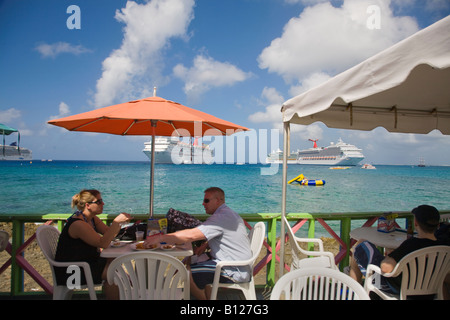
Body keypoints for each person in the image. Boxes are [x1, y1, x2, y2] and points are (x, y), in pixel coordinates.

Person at [144, 187, 252, 300]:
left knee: (186, 272)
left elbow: (191, 235)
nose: (203, 203)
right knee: (191, 262)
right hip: (236, 264)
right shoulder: (227, 213)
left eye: (206, 200)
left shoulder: (221, 217)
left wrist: (159, 238)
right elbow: (225, 236)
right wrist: (205, 245)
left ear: (218, 201)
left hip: (234, 269)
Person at [349, 204, 450, 299]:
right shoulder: (444, 247)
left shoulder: (411, 244)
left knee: (360, 246)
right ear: (438, 225)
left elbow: (386, 268)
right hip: (430, 290)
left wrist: (387, 258)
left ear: (416, 223)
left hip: (397, 288)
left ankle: (353, 295)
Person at [54, 189, 132, 300]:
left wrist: (119, 224)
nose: (103, 204)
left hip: (87, 263)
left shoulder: (91, 219)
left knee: (114, 261)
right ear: (88, 205)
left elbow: (108, 234)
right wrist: (116, 222)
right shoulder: (78, 224)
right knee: (114, 275)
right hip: (73, 271)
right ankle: (133, 285)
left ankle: (130, 284)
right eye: (99, 202)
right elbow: (103, 243)